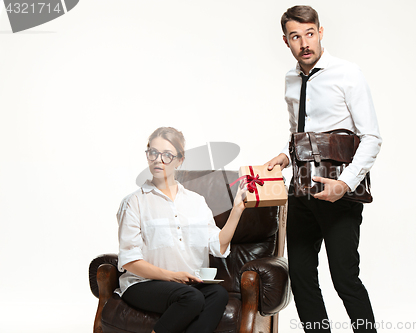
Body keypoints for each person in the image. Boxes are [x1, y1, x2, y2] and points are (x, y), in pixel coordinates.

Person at [265, 5, 382, 333]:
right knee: (301, 278)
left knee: (345, 278)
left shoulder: (348, 73)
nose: (304, 42)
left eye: (309, 34)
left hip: (338, 192)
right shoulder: (290, 79)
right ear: (286, 41)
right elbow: (297, 131)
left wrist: (343, 185)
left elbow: (372, 138)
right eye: (295, 36)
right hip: (299, 190)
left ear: (320, 32)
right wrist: (287, 157)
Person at [116, 127, 247, 333]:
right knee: (191, 298)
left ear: (180, 160)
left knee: (218, 294)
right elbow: (130, 261)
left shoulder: (196, 201)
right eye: (153, 153)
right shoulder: (135, 202)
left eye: (167, 155)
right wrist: (171, 276)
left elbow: (217, 245)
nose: (158, 160)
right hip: (143, 284)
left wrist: (237, 209)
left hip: (187, 285)